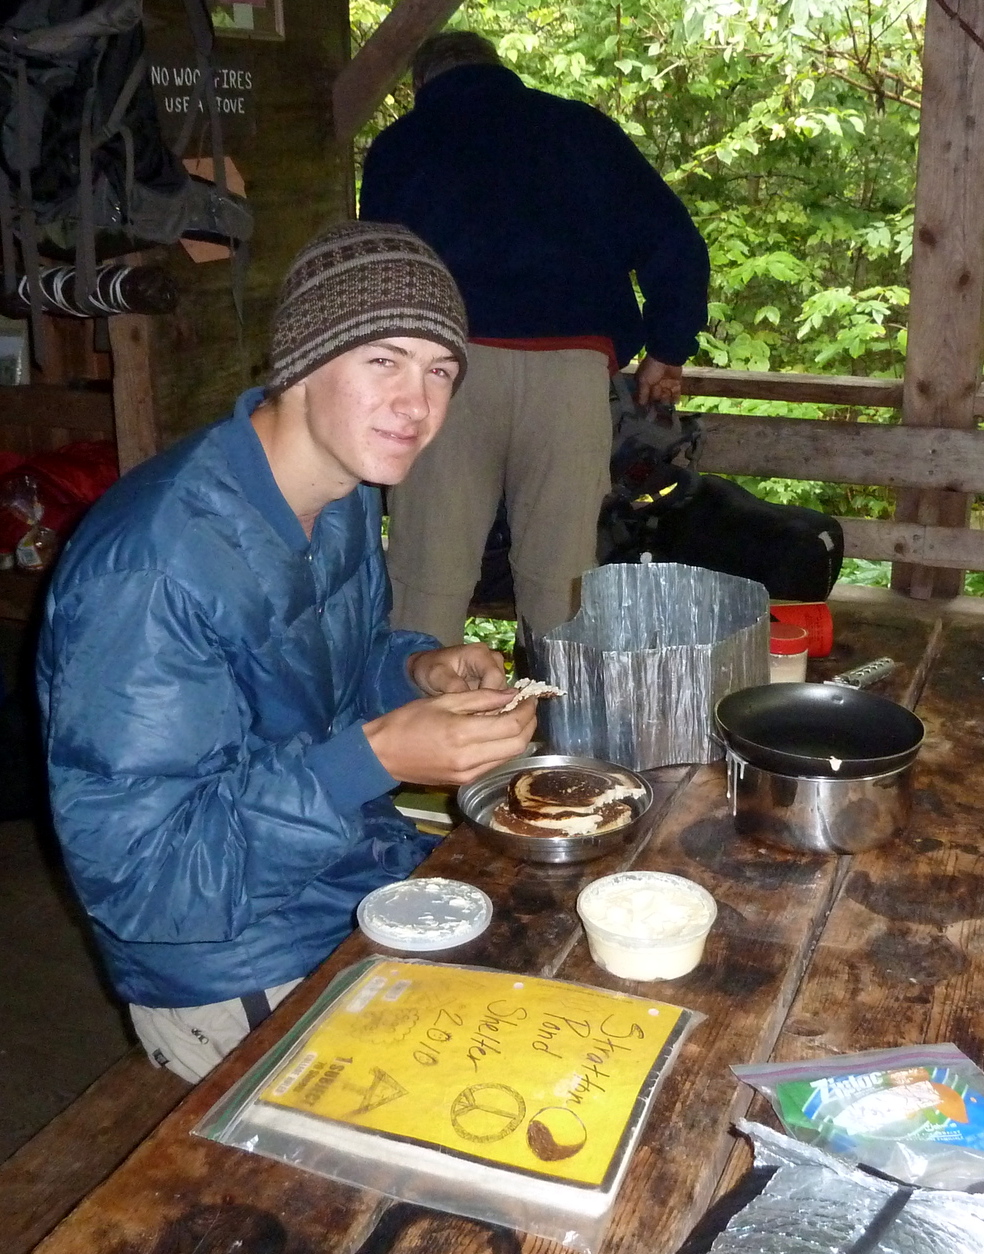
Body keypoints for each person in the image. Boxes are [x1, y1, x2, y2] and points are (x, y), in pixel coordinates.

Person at [36, 221, 538, 1084]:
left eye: (440, 370)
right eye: (384, 359)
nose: (417, 405)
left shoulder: (339, 494)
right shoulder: (153, 568)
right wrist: (378, 758)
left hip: (347, 874)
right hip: (229, 962)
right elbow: (146, 880)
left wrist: (412, 671)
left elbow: (312, 679)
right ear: (303, 363)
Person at [360, 31, 710, 647]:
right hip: (571, 375)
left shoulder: (401, 146)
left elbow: (380, 277)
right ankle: (562, 731)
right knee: (561, 580)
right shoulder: (582, 131)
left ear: (422, 86)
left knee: (428, 578)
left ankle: (424, 727)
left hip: (443, 373)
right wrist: (666, 349)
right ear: (498, 70)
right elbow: (675, 243)